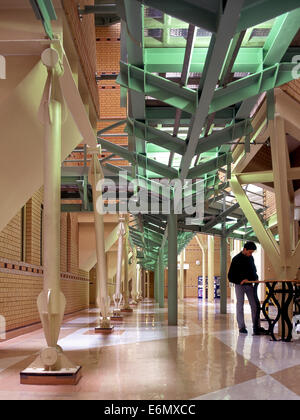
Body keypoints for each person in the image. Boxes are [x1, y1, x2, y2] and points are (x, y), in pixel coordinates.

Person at [228, 241, 267, 335]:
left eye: (252, 253)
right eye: (249, 252)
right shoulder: (236, 259)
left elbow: (253, 271)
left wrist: (255, 278)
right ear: (244, 249)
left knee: (254, 305)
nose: (250, 254)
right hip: (239, 285)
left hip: (249, 285)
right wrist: (240, 280)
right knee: (240, 305)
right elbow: (230, 276)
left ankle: (256, 326)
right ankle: (241, 327)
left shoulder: (251, 258)